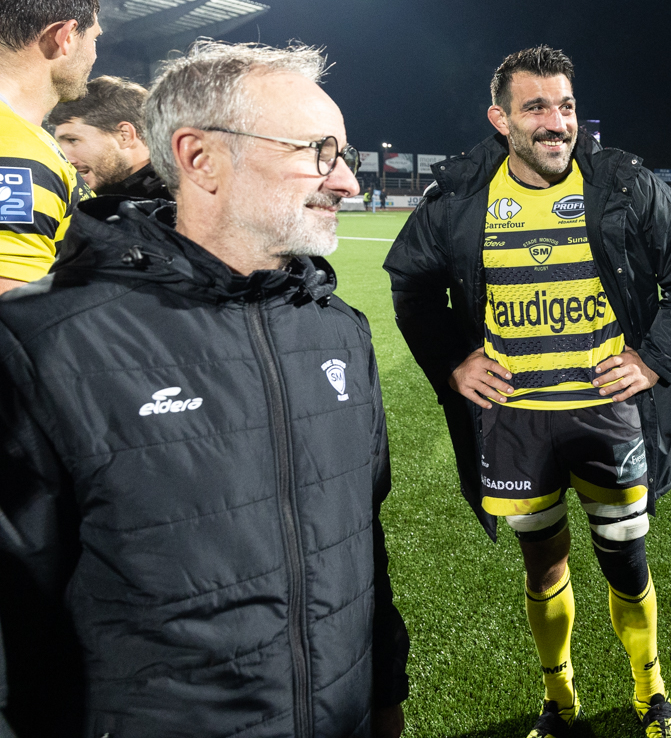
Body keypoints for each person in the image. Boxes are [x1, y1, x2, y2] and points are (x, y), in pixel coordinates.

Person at [0, 41, 410, 737]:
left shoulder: (338, 331)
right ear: (200, 158)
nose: (346, 182)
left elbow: (363, 543)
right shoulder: (45, 341)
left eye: (342, 155)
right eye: (318, 152)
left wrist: (384, 691)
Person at [384, 45, 671, 738]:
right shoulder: (464, 196)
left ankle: (651, 691)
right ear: (500, 119)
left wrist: (654, 359)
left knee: (627, 564)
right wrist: (453, 361)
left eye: (565, 106)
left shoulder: (622, 182)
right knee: (542, 566)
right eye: (535, 107)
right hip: (516, 420)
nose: (556, 122)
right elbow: (411, 282)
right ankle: (559, 699)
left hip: (607, 415)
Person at [0, 0, 99, 293]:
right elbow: (14, 313)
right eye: (94, 38)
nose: (95, 54)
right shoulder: (17, 154)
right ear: (65, 36)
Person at [47, 75, 170, 199]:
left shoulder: (173, 202)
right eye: (59, 145)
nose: (65, 159)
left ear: (124, 135)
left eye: (73, 140)